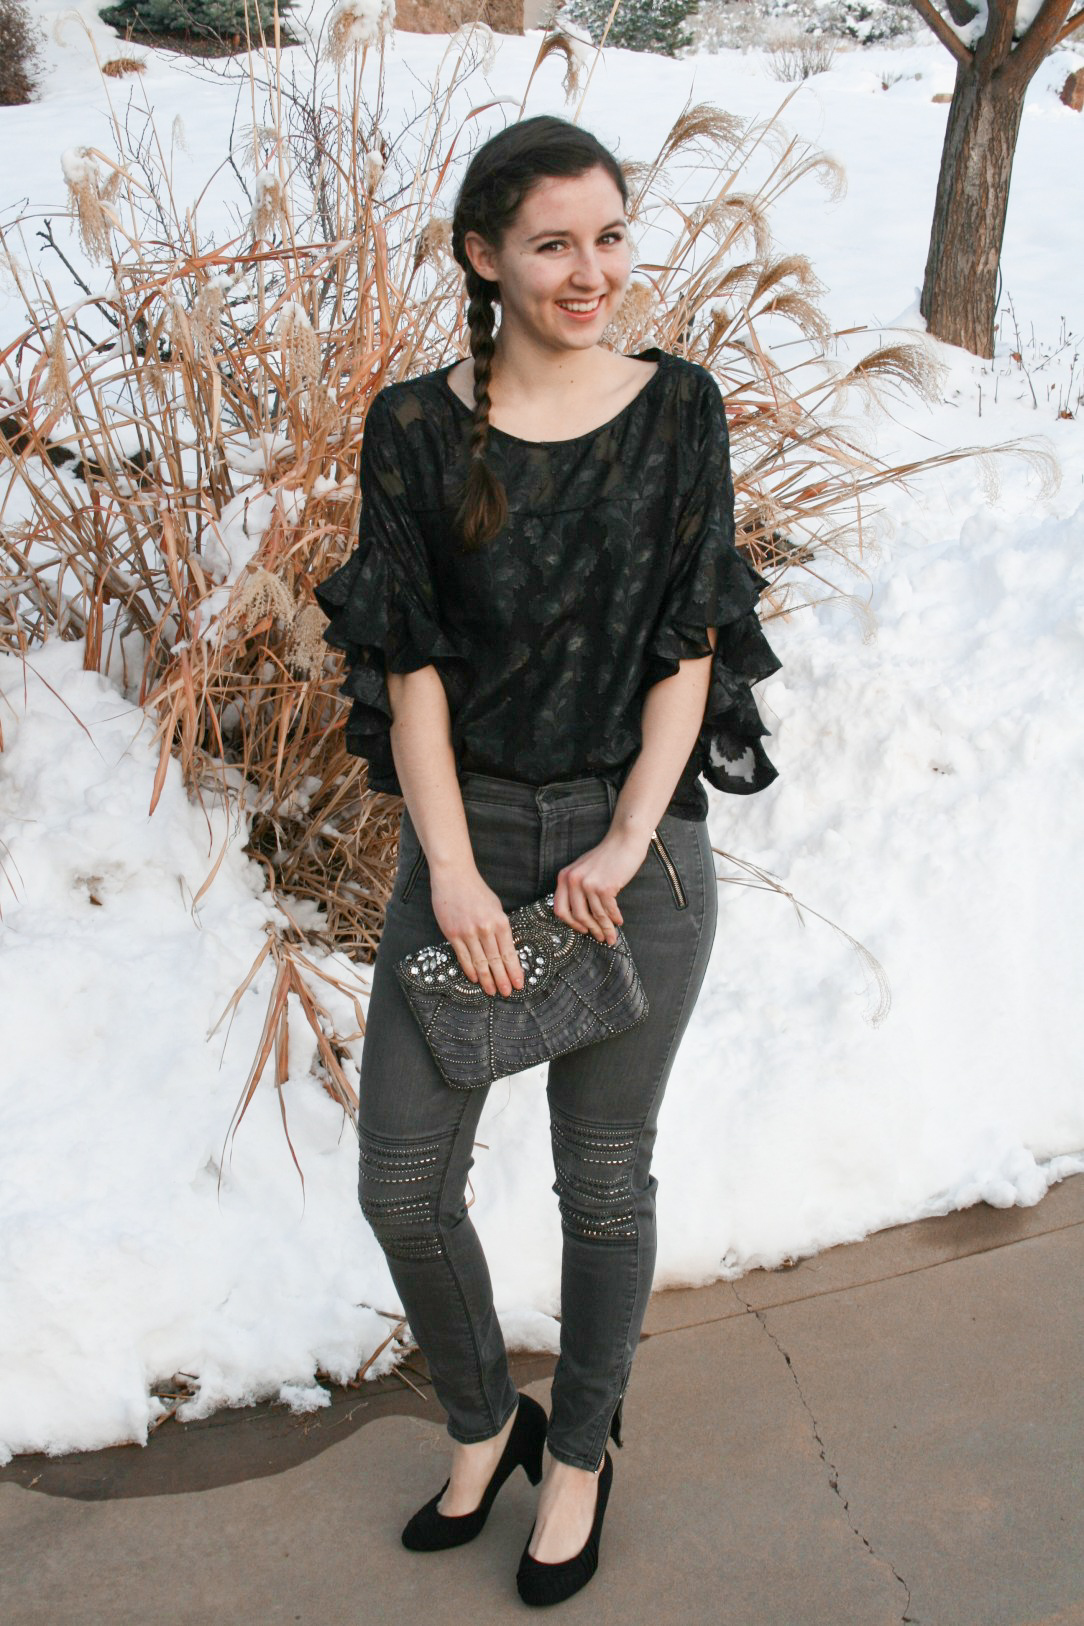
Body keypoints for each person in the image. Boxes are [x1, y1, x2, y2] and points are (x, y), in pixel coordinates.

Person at [314, 113, 782, 1608]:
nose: (593, 272)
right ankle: (480, 1417)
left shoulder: (680, 410)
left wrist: (635, 831)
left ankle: (576, 1449)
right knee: (403, 1180)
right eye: (554, 244)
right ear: (484, 257)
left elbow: (690, 640)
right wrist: (448, 872)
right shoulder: (413, 427)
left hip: (629, 840)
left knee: (602, 1180)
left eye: (611, 236)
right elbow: (415, 667)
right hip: (468, 837)